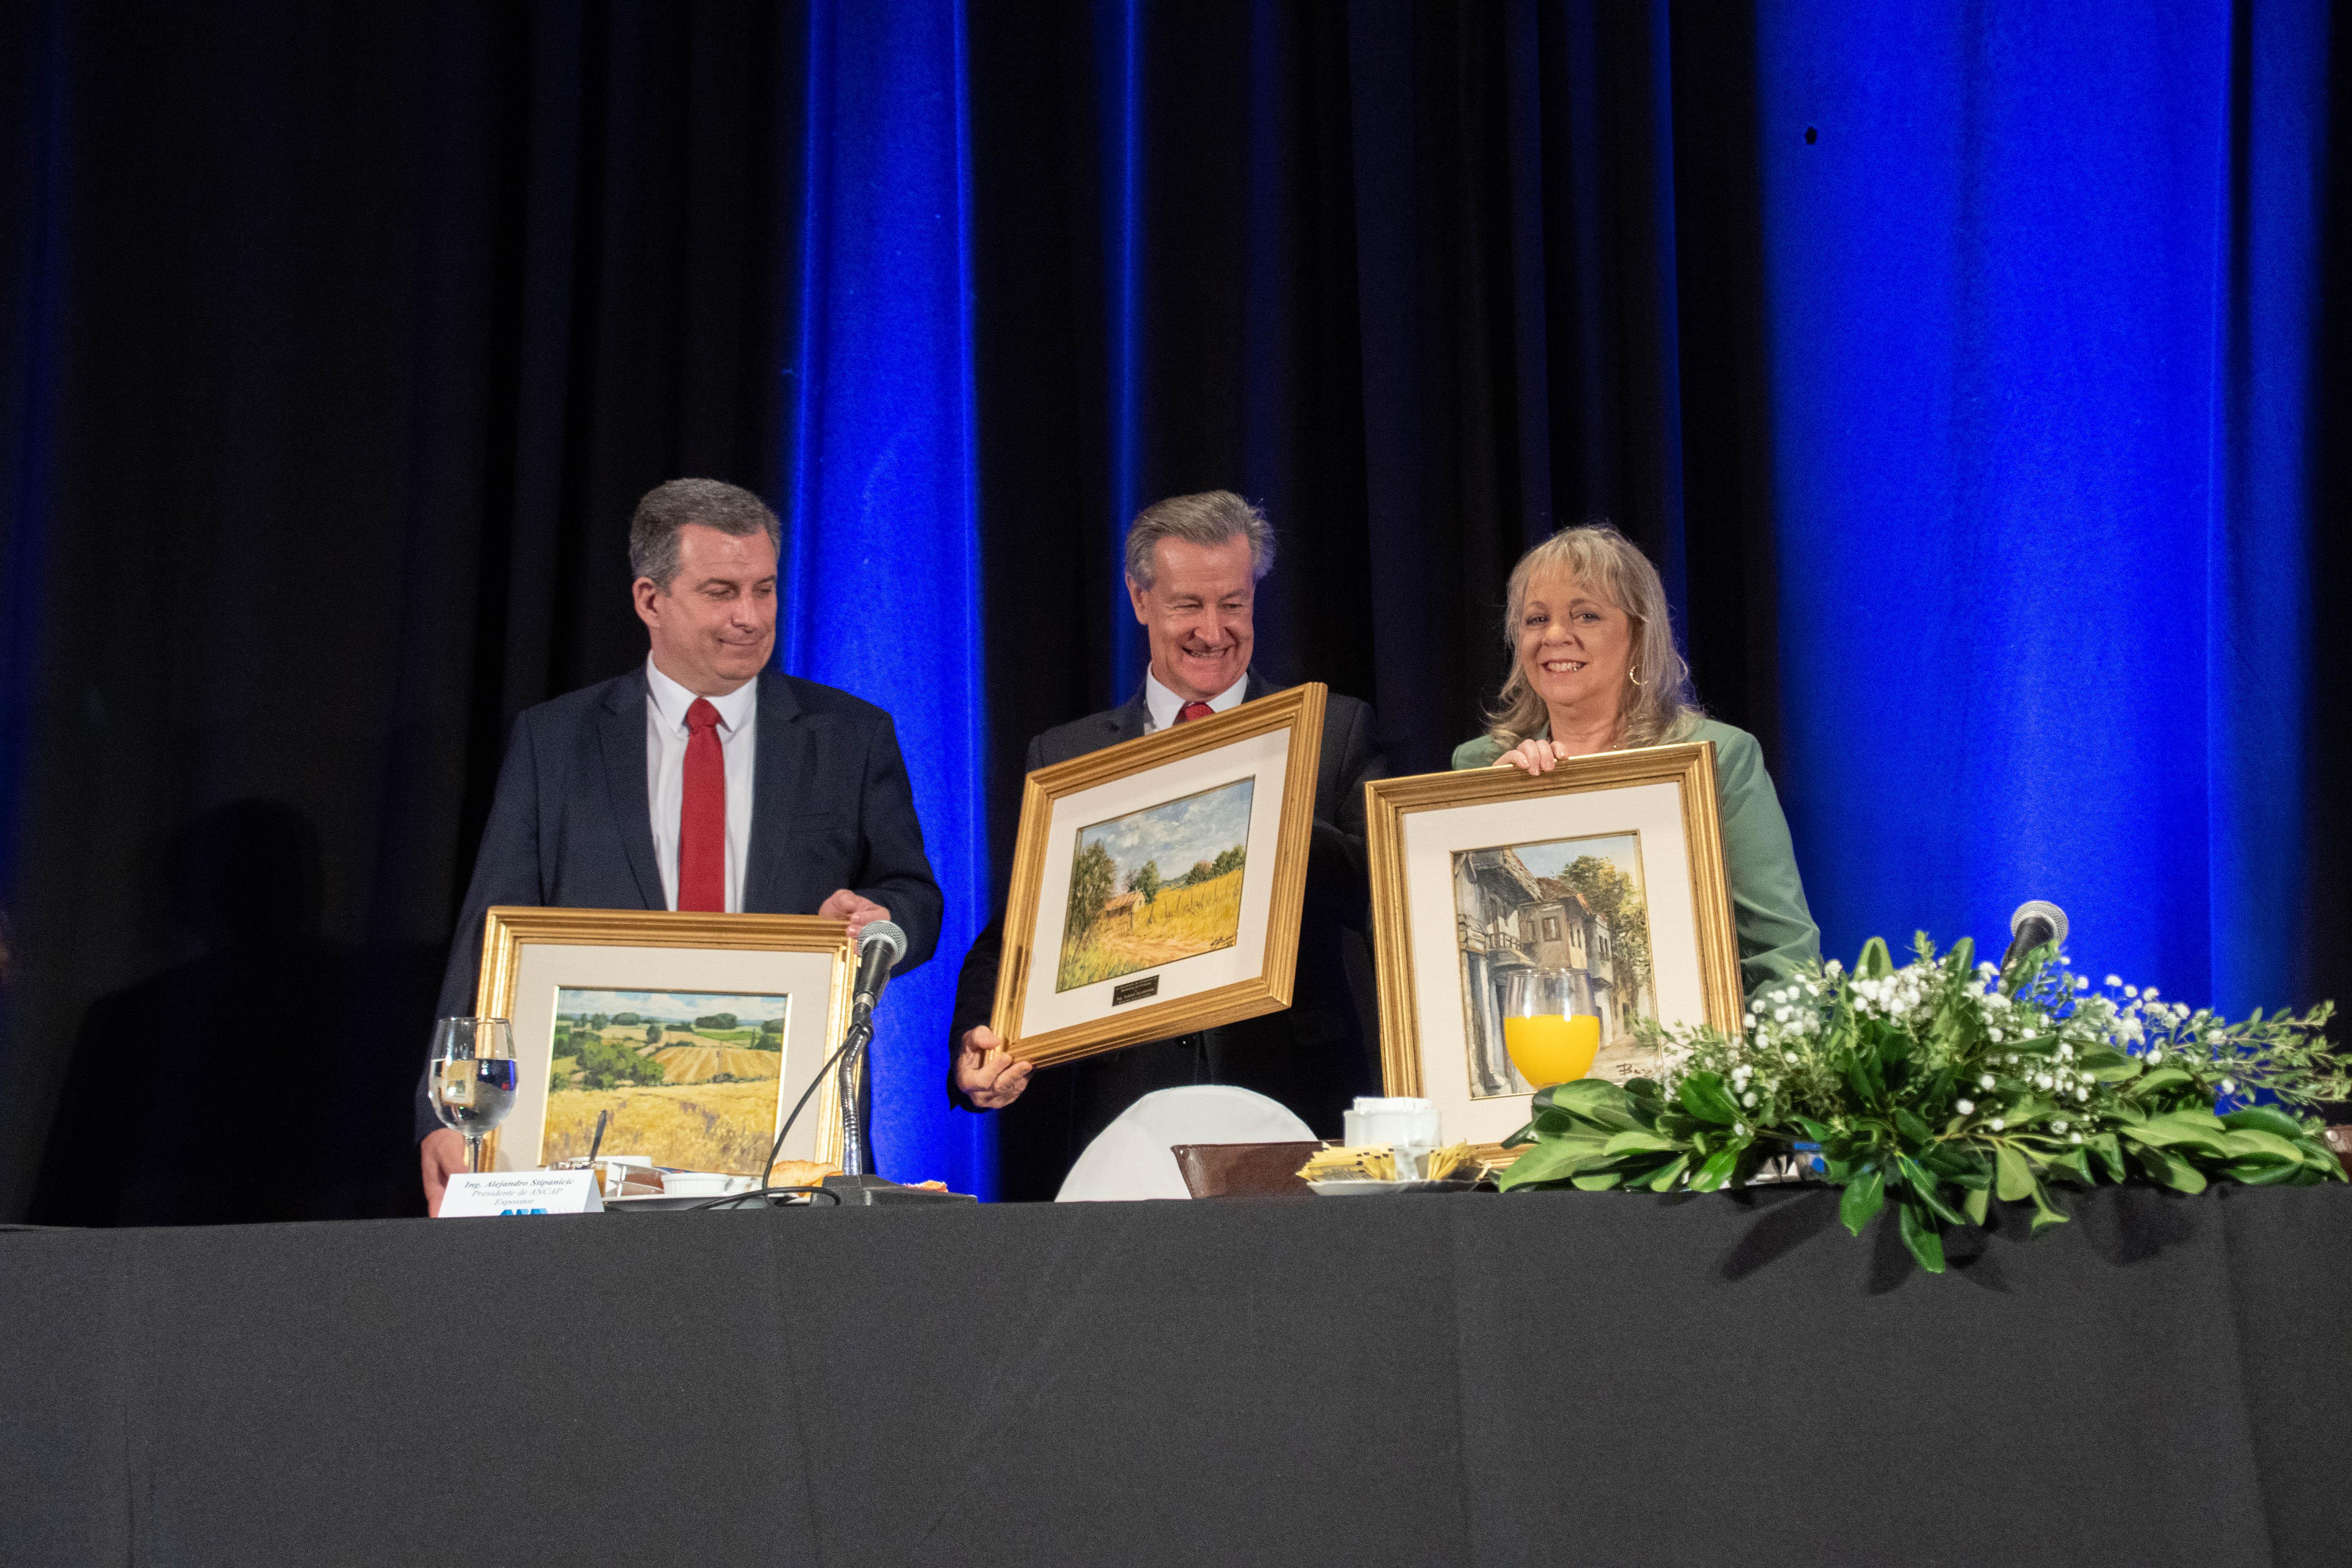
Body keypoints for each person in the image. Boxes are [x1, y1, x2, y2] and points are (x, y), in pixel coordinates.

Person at [415, 478, 942, 1211]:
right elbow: (492, 933)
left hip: (796, 1147)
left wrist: (881, 923)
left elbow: (914, 894)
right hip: (588, 1146)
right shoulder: (556, 740)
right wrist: (447, 1112)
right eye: (721, 591)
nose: (750, 618)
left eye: (764, 589)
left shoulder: (850, 735)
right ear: (649, 600)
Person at [948, 491, 1386, 1193]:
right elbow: (1020, 937)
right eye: (1188, 604)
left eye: (1233, 604)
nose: (1213, 631)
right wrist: (978, 1032)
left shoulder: (1328, 733)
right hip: (1124, 1121)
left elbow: (1380, 894)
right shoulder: (1065, 755)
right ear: (1139, 597)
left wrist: (1262, 803)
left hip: (1291, 1106)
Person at [1452, 523, 1818, 994]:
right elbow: (1447, 948)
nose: (1555, 635)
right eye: (1536, 619)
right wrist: (1486, 816)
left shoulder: (1717, 758)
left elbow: (1784, 954)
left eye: (1586, 615)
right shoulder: (1479, 766)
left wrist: (1746, 1065)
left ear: (1638, 634)